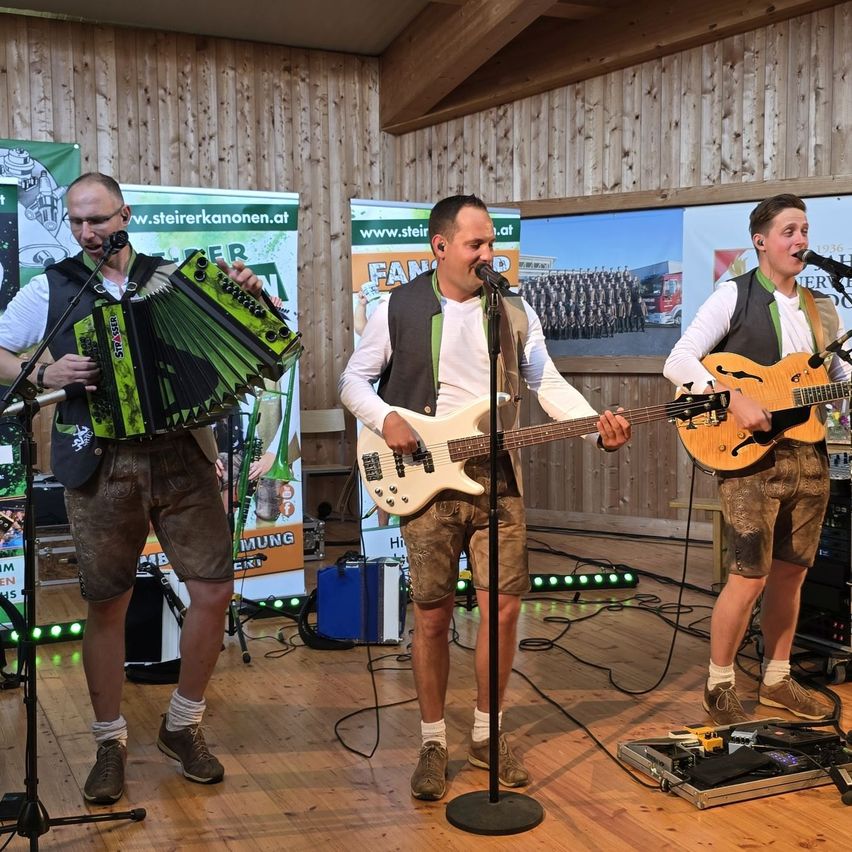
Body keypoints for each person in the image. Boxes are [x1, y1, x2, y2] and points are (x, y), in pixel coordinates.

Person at [339, 194, 631, 801]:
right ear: (440, 246)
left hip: (494, 475)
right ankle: (430, 740)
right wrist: (387, 418)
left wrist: (593, 423)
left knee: (502, 609)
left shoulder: (513, 310)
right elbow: (352, 381)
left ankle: (487, 732)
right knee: (432, 616)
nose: (487, 254)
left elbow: (544, 380)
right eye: (475, 244)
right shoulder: (397, 307)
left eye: (491, 243)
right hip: (424, 477)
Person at [0, 172, 265, 804]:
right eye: (75, 222)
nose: (87, 232)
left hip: (182, 455)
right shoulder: (53, 287)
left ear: (125, 214)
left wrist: (247, 297)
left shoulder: (172, 279)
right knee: (106, 601)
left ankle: (182, 724)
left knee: (212, 588)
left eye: (98, 219)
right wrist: (42, 371)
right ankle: (109, 741)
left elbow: (246, 333)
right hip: (101, 460)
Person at [663, 193, 845, 726]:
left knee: (792, 575)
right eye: (789, 230)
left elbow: (830, 382)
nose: (801, 240)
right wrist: (732, 396)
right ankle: (719, 682)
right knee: (749, 575)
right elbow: (678, 360)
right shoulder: (732, 296)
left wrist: (842, 386)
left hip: (810, 452)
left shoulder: (820, 307)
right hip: (751, 461)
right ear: (761, 241)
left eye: (806, 230)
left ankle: (777, 678)